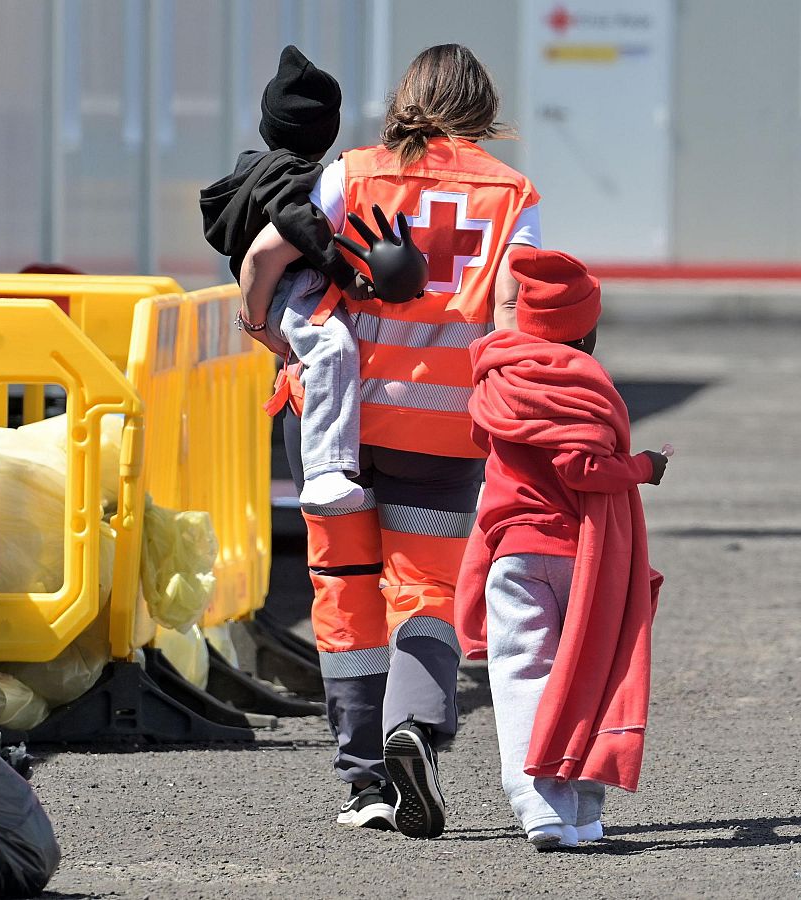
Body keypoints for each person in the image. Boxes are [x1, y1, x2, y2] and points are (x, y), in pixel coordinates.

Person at [240, 43, 542, 838]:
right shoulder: (512, 195)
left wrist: (262, 329)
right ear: (484, 109)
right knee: (426, 593)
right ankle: (416, 727)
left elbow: (267, 254)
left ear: (406, 97)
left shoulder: (355, 171)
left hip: (336, 423)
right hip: (445, 432)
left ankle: (364, 782)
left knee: (343, 590)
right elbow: (516, 306)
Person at [453, 249, 667, 851]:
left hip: (512, 553)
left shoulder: (496, 373)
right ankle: (585, 814)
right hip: (583, 555)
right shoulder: (582, 384)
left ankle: (538, 806)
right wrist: (646, 466)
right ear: (589, 329)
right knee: (594, 671)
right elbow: (583, 467)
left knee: (522, 672)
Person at [201, 45, 369, 510]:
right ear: (327, 132)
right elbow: (296, 227)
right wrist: (344, 272)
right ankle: (325, 470)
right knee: (332, 347)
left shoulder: (257, 169)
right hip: (288, 289)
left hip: (279, 293)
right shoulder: (292, 177)